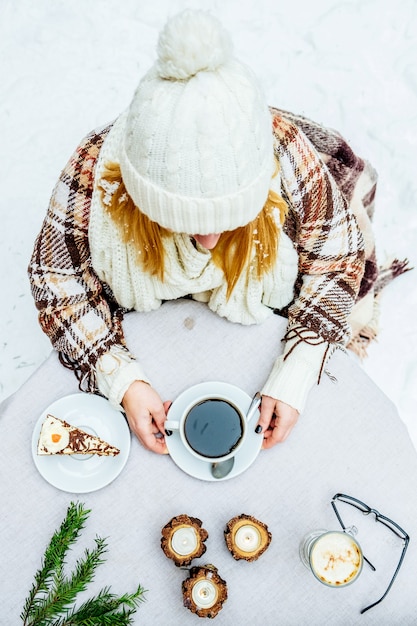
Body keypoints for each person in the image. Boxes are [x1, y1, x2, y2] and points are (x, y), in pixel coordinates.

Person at [28, 9, 407, 455]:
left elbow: (338, 261)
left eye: (227, 221)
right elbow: (57, 280)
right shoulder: (95, 170)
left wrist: (296, 371)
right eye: (184, 223)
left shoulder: (285, 154)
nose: (208, 241)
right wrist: (121, 379)